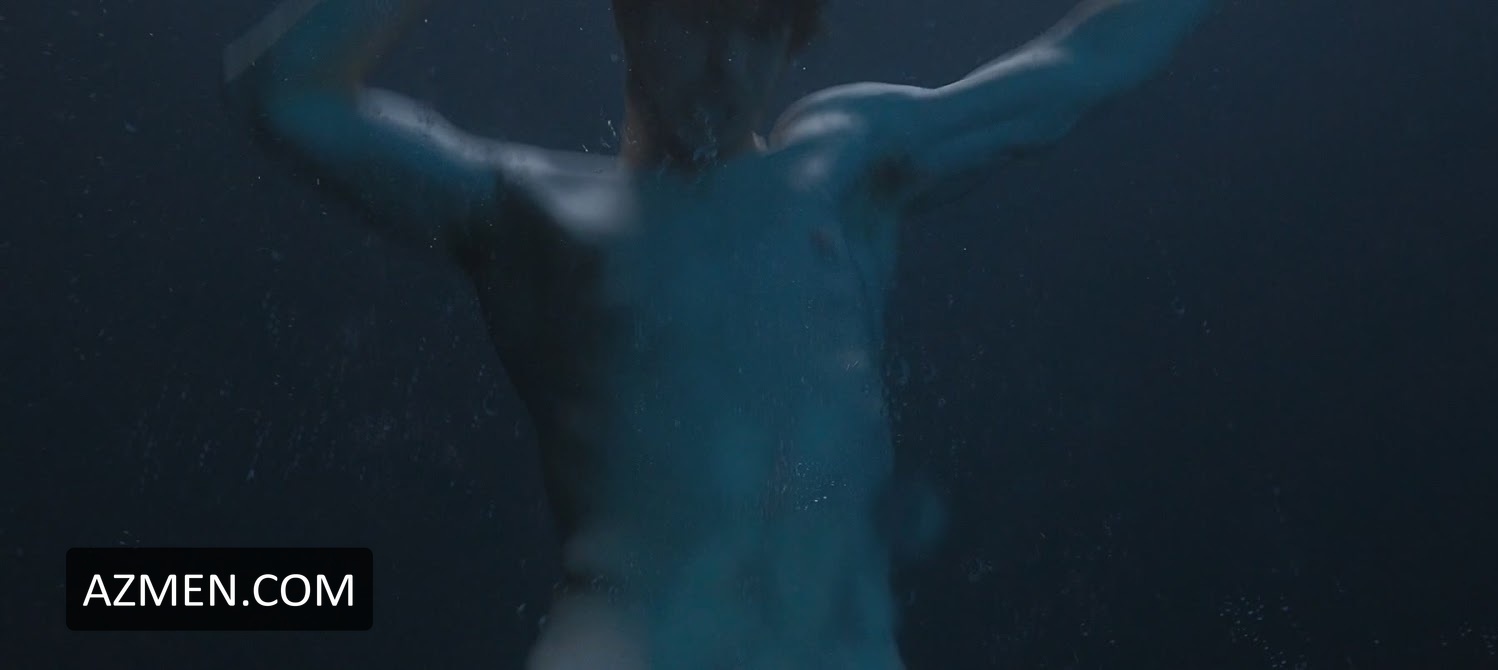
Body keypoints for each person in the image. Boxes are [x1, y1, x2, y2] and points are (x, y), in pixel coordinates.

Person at [223, 1, 1211, 667]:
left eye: (760, 28)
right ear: (633, 15)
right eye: (697, 20)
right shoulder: (531, 213)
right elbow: (283, 91)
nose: (727, 65)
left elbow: (1089, 62)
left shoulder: (844, 166)